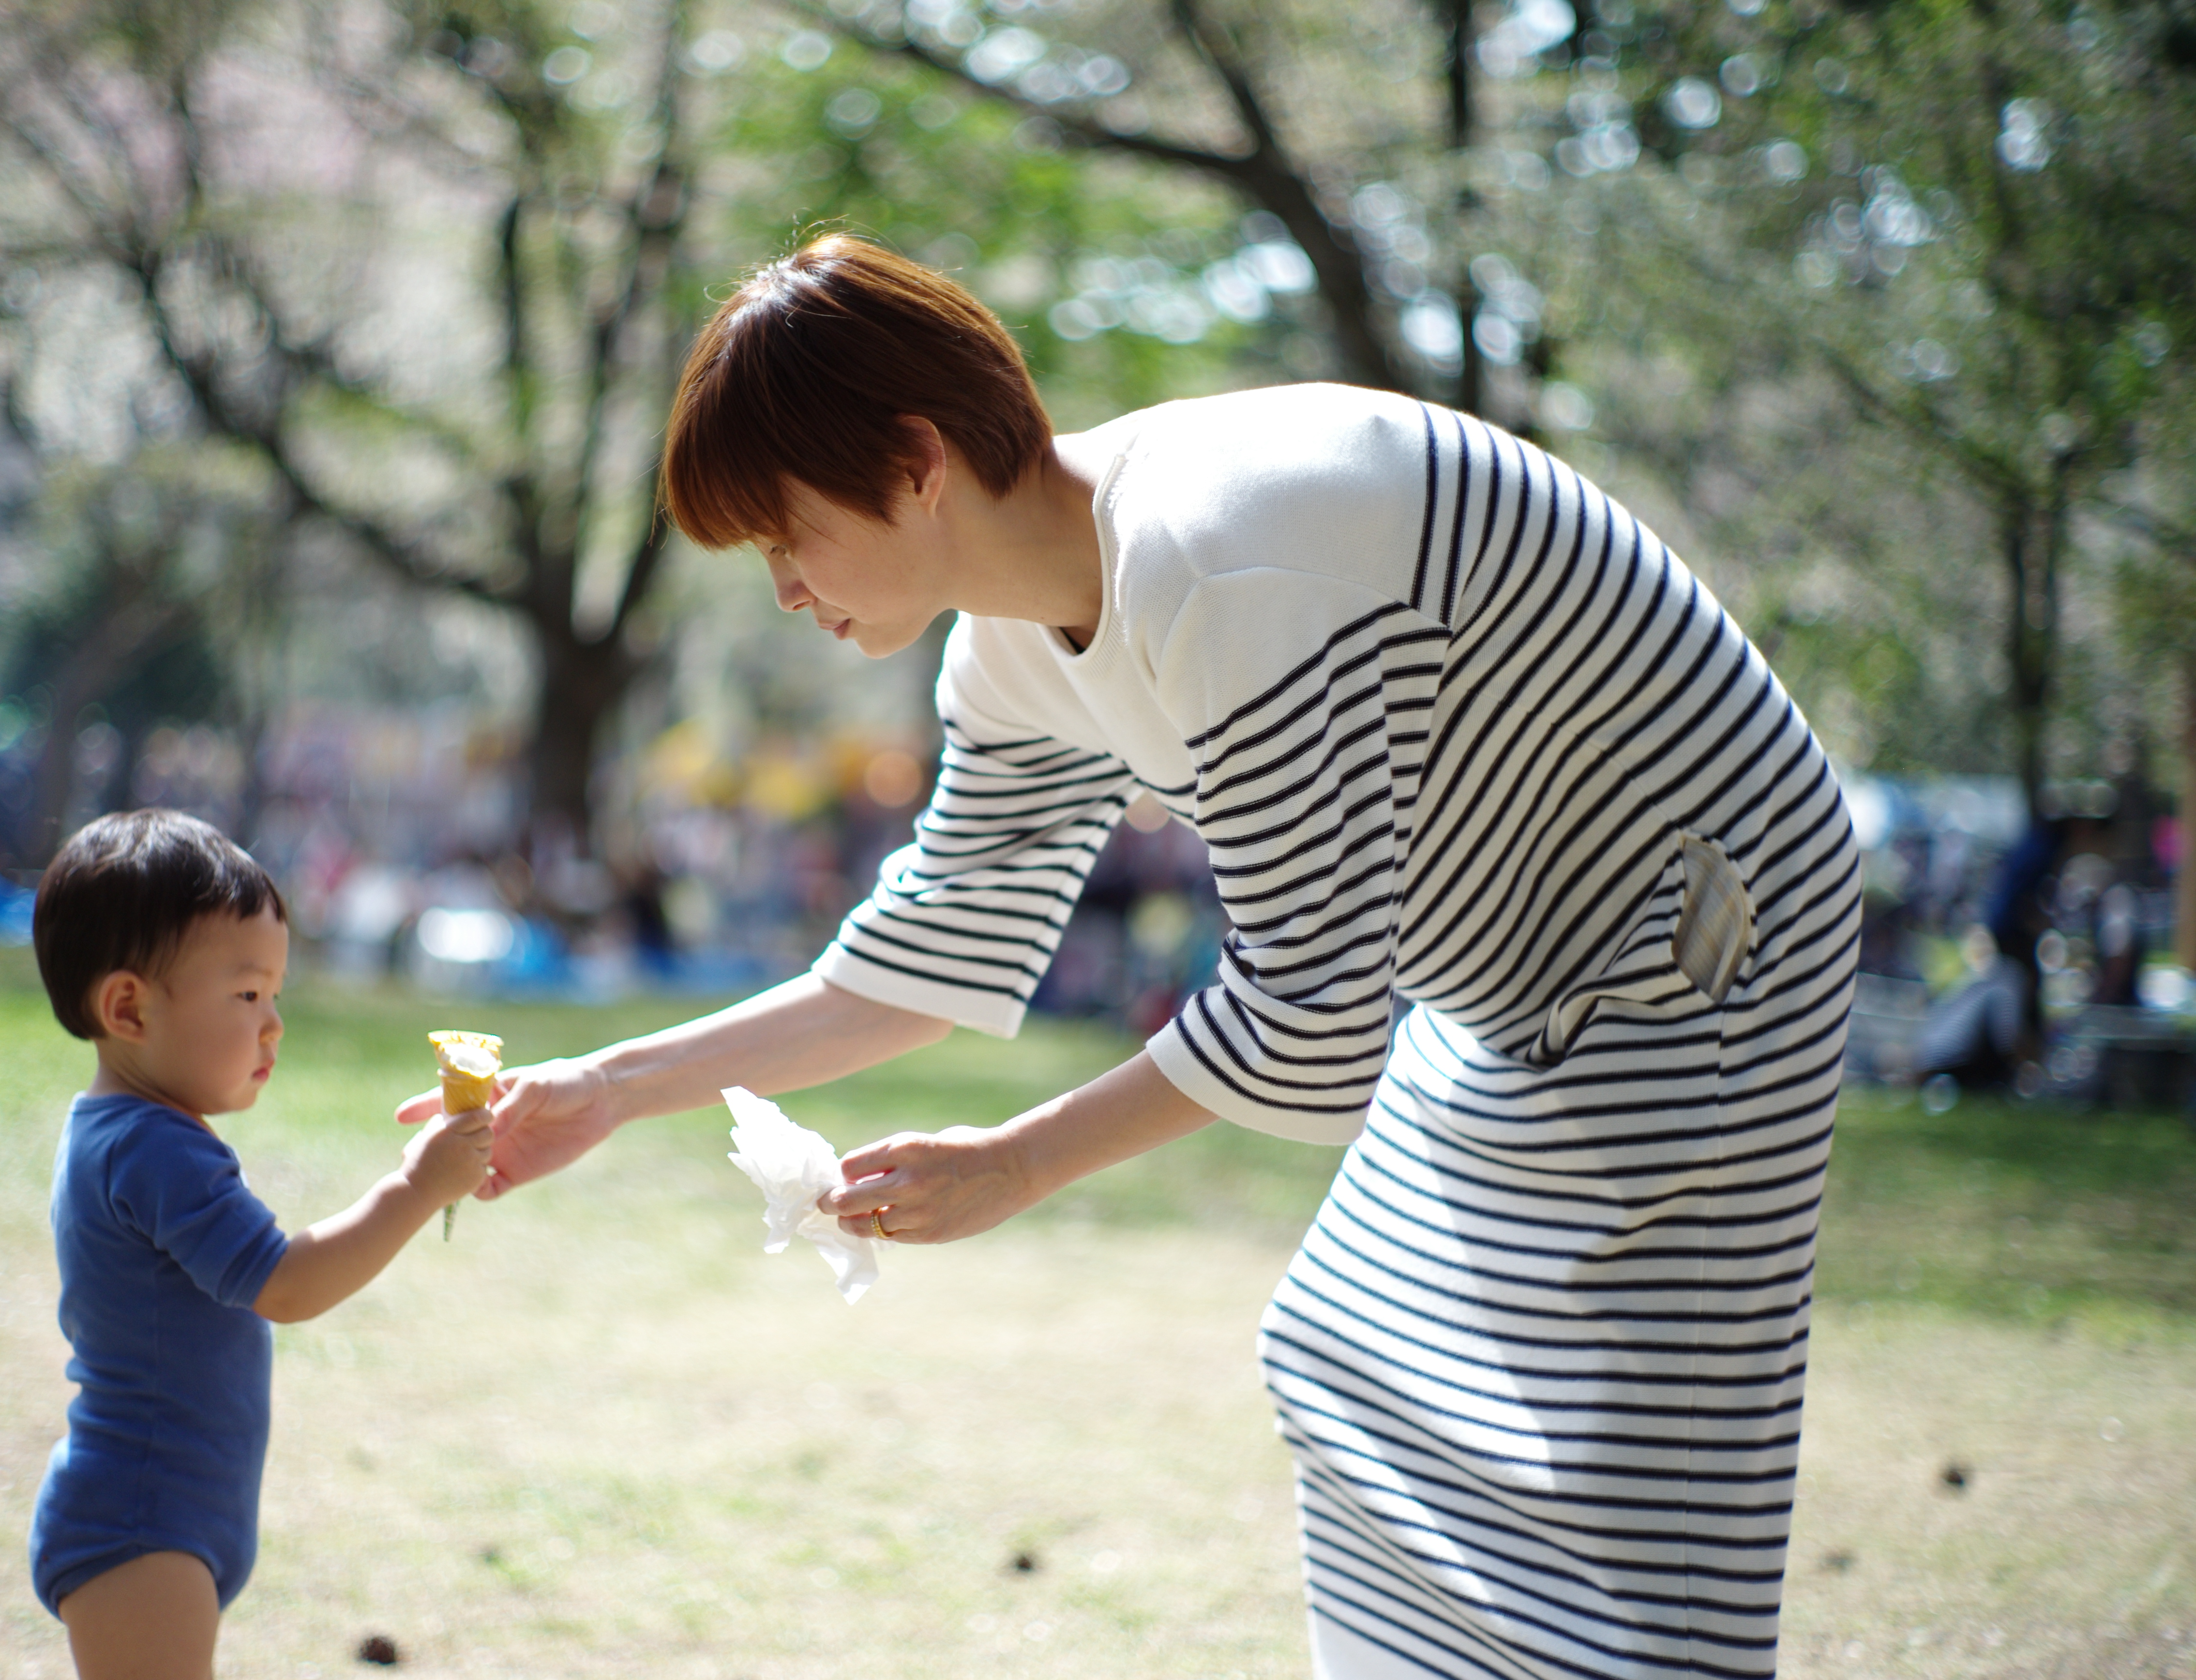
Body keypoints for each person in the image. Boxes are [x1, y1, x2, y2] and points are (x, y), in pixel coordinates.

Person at [411, 236, 1861, 1680]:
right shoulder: (1008, 642)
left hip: (1701, 938)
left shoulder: (1216, 558)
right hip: (1503, 983)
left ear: (915, 462)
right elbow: (928, 950)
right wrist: (606, 1083)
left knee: (1618, 1477)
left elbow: (1307, 1025)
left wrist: (1021, 1158)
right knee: (1351, 1353)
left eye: (790, 535)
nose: (785, 587)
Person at [28, 809, 496, 1680]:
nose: (274, 1023)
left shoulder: (135, 1129)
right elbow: (285, 1283)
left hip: (168, 1512)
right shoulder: (151, 1145)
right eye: (248, 995)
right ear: (128, 1006)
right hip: (143, 1522)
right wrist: (416, 1187)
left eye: (275, 993)